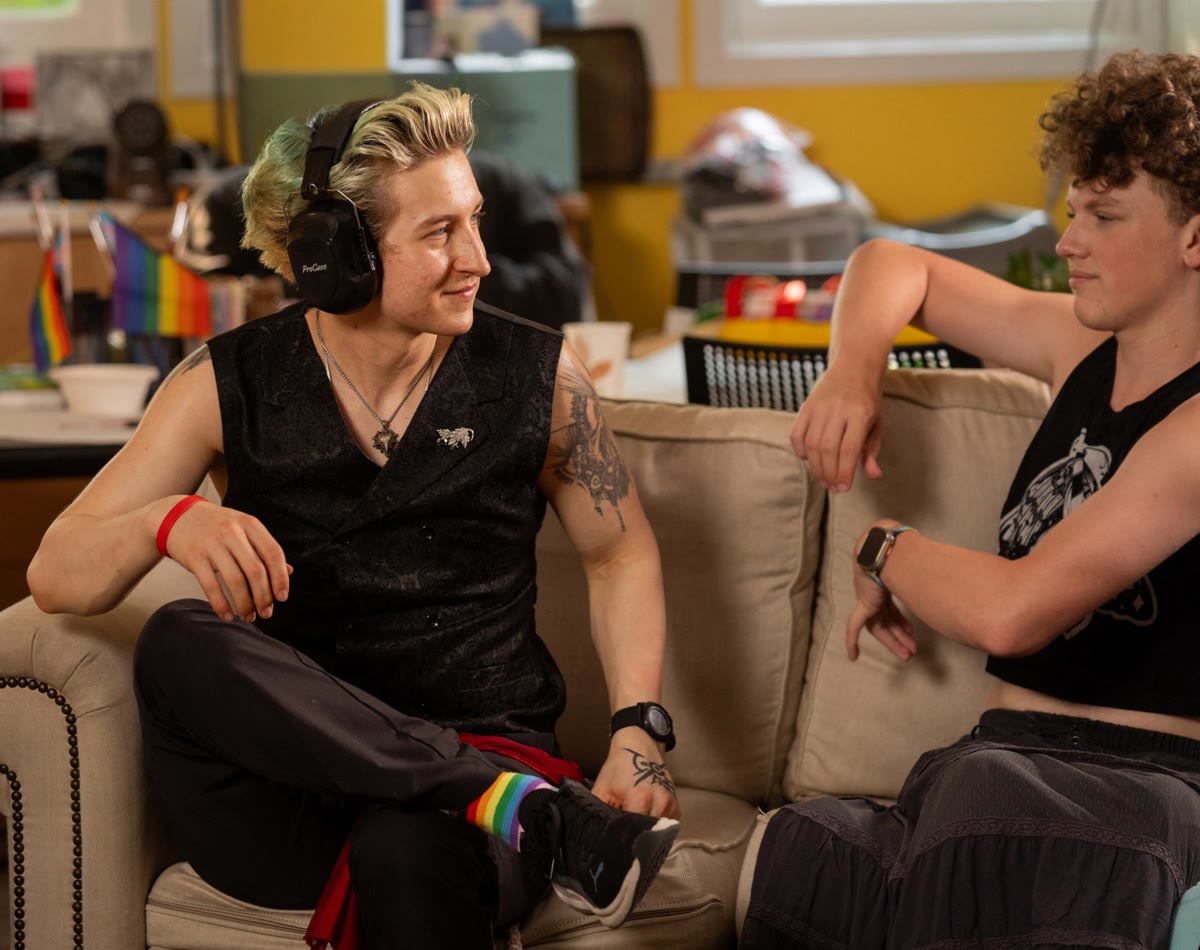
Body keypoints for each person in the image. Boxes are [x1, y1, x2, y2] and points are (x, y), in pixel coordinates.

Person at [26, 83, 680, 948]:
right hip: (285, 793)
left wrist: (640, 731)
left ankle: (496, 801)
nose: (480, 258)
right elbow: (53, 573)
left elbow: (619, 557)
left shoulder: (538, 377)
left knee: (408, 854)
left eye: (474, 220)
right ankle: (513, 807)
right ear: (337, 253)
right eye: (441, 232)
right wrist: (172, 520)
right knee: (177, 638)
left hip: (487, 760)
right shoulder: (225, 384)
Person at [742, 51, 1200, 949]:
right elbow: (891, 263)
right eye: (1073, 212)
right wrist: (853, 372)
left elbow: (1012, 614)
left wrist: (884, 545)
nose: (1069, 242)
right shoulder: (1078, 345)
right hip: (996, 760)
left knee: (974, 808)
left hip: (1139, 783)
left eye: (1104, 217)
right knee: (805, 847)